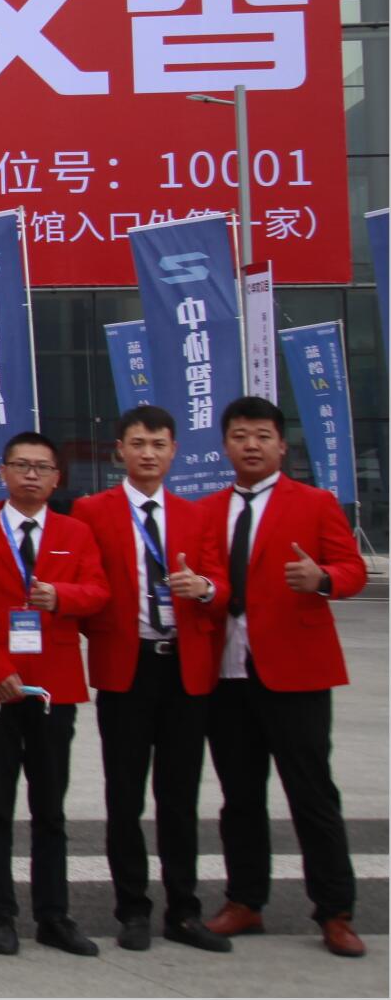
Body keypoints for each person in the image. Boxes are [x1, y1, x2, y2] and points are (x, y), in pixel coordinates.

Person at [197, 396, 368, 959]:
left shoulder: (315, 503)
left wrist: (323, 579)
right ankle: (245, 901)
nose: (251, 445)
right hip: (228, 673)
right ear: (225, 445)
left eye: (262, 435)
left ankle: (335, 911)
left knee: (312, 795)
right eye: (240, 435)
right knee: (240, 797)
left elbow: (353, 570)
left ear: (281, 445)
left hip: (296, 672)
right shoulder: (206, 510)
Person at [72, 405, 230, 953]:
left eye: (158, 444)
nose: (148, 453)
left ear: (173, 451)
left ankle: (183, 910)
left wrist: (205, 589)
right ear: (119, 450)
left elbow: (222, 587)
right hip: (127, 667)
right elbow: (83, 585)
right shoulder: (92, 512)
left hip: (184, 668)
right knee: (125, 795)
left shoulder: (195, 516)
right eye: (138, 443)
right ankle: (132, 909)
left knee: (179, 796)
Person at [0, 432, 109, 958]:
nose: (31, 475)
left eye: (42, 467)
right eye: (21, 465)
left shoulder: (75, 533)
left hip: (55, 688)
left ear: (57, 478)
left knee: (50, 810)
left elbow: (99, 592)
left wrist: (62, 596)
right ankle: (0, 915)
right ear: (3, 472)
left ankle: (54, 915)